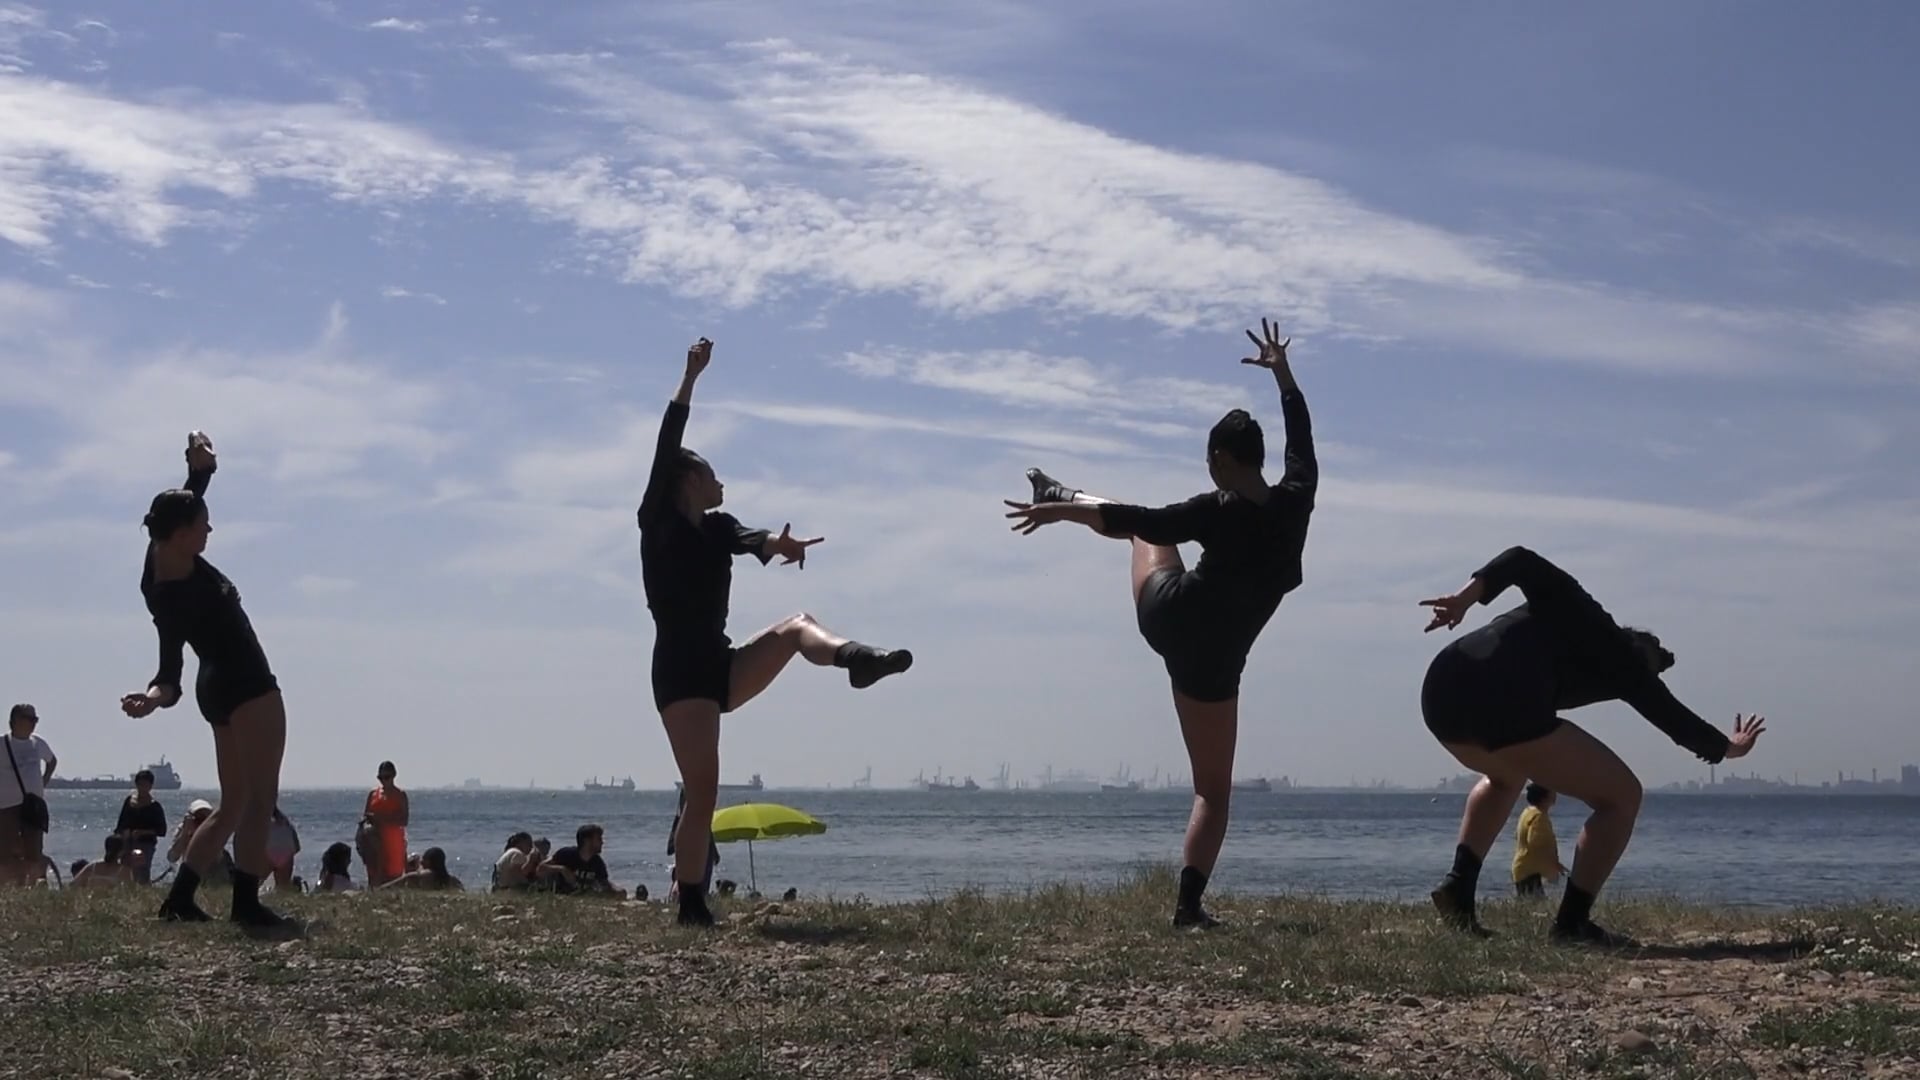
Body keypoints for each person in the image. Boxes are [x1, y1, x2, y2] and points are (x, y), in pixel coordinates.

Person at [1003, 319, 1316, 929]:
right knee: (1213, 792)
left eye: (1208, 460)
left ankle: (1064, 489)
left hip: (1168, 616)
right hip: (1216, 663)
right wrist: (1282, 371)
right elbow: (1301, 435)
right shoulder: (1297, 497)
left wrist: (1062, 512)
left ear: (1222, 460)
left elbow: (1133, 518)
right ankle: (1188, 908)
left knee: (1145, 537)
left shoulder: (1212, 510)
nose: (1207, 469)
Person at [640, 337, 913, 927]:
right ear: (687, 480)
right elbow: (667, 443)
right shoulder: (657, 523)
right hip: (682, 671)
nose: (721, 483)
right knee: (704, 789)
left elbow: (754, 539)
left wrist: (780, 544)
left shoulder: (719, 528)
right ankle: (690, 903)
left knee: (796, 627)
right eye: (711, 474)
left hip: (720, 662)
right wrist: (689, 378)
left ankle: (859, 659)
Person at [1418, 545, 1766, 945]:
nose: (1647, 679)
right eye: (1653, 667)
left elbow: (1519, 562)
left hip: (1441, 691)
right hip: (1499, 703)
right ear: (1638, 644)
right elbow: (1678, 722)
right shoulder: (1607, 638)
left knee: (1505, 775)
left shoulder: (1601, 641)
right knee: (1622, 796)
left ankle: (1458, 889)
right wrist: (1731, 749)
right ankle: (1571, 925)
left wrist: (1465, 601)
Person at [119, 431, 294, 932]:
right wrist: (153, 699)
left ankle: (179, 900)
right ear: (179, 535)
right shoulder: (172, 595)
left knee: (233, 803)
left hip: (214, 689)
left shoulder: (160, 559)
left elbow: (185, 504)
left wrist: (201, 469)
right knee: (261, 799)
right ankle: (247, 906)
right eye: (203, 527)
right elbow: (168, 670)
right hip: (247, 682)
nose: (210, 529)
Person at [1, 704, 57, 888]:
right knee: (6, 850)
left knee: (34, 850)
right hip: (7, 805)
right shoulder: (2, 744)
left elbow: (52, 761)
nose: (34, 723)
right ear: (15, 720)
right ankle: (9, 887)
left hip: (33, 805)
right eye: (29, 719)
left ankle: (34, 886)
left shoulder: (37, 743)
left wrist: (43, 782)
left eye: (35, 719)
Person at [114, 768, 168, 884]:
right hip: (127, 842)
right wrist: (122, 835)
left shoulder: (155, 806)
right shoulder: (129, 801)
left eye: (145, 784)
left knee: (141, 871)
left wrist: (143, 832)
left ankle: (143, 889)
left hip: (146, 843)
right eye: (140, 784)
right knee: (125, 870)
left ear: (150, 786)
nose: (142, 787)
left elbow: (162, 830)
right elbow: (121, 823)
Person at [1511, 783, 1565, 898]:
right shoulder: (1539, 817)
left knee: (1531, 905)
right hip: (1528, 871)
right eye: (1552, 791)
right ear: (1544, 797)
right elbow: (1537, 844)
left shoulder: (1528, 812)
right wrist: (1552, 864)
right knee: (1534, 905)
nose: (1555, 794)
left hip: (1524, 868)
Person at [666, 787, 719, 902]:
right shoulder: (693, 818)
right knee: (696, 884)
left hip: (696, 854)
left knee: (695, 884)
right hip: (697, 854)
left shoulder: (687, 819)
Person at [362, 761, 409, 887]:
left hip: (393, 839)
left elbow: (404, 820)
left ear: (394, 776)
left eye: (386, 777)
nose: (383, 781)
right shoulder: (373, 794)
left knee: (393, 874)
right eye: (380, 778)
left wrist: (382, 819)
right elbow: (365, 815)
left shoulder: (400, 795)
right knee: (374, 871)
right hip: (375, 838)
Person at [541, 824, 617, 896]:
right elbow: (540, 868)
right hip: (560, 896)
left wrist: (617, 891)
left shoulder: (597, 862)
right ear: (587, 841)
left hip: (582, 897)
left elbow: (605, 883)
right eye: (599, 839)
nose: (602, 842)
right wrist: (562, 869)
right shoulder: (566, 854)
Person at [381, 846, 463, 891]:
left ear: (429, 861)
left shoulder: (416, 877)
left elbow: (387, 887)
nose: (421, 862)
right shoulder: (453, 881)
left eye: (424, 859)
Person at [72, 834, 137, 888]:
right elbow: (130, 892)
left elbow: (74, 884)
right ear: (121, 852)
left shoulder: (93, 866)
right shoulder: (124, 871)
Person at [266, 807, 301, 892]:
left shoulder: (259, 819)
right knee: (283, 888)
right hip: (286, 852)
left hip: (268, 851)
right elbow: (297, 846)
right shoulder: (286, 822)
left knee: (254, 884)